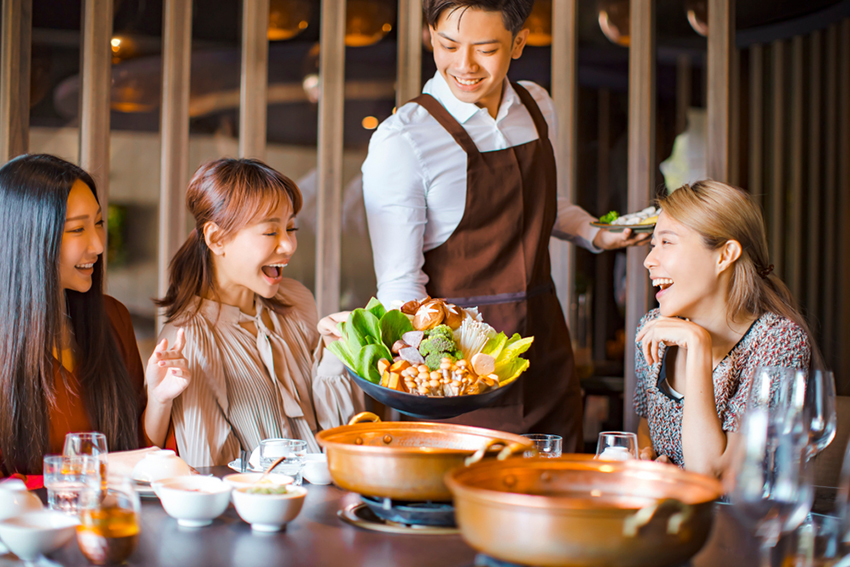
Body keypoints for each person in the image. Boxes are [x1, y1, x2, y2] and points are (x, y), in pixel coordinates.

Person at [361, 0, 645, 450]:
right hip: (460, 367)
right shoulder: (404, 140)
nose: (464, 65)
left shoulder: (536, 105)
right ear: (429, 36)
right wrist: (441, 377)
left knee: (554, 496)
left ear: (518, 43)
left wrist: (593, 231)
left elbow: (547, 205)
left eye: (485, 49)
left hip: (545, 347)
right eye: (448, 45)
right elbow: (400, 287)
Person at [157, 158, 363, 467]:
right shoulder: (188, 338)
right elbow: (211, 471)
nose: (289, 245)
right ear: (216, 238)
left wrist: (336, 353)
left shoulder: (297, 301)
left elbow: (340, 435)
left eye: (291, 228)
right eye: (270, 232)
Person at [0, 154, 190, 475]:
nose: (99, 245)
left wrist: (159, 400)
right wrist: (97, 467)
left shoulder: (111, 318)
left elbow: (137, 457)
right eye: (77, 230)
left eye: (99, 223)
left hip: (114, 519)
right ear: (29, 240)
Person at [635, 180, 814, 476]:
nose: (648, 261)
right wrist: (644, 460)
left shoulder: (778, 341)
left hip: (738, 521)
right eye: (653, 245)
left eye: (666, 242)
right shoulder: (654, 329)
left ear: (725, 255)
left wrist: (698, 345)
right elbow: (645, 430)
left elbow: (714, 473)